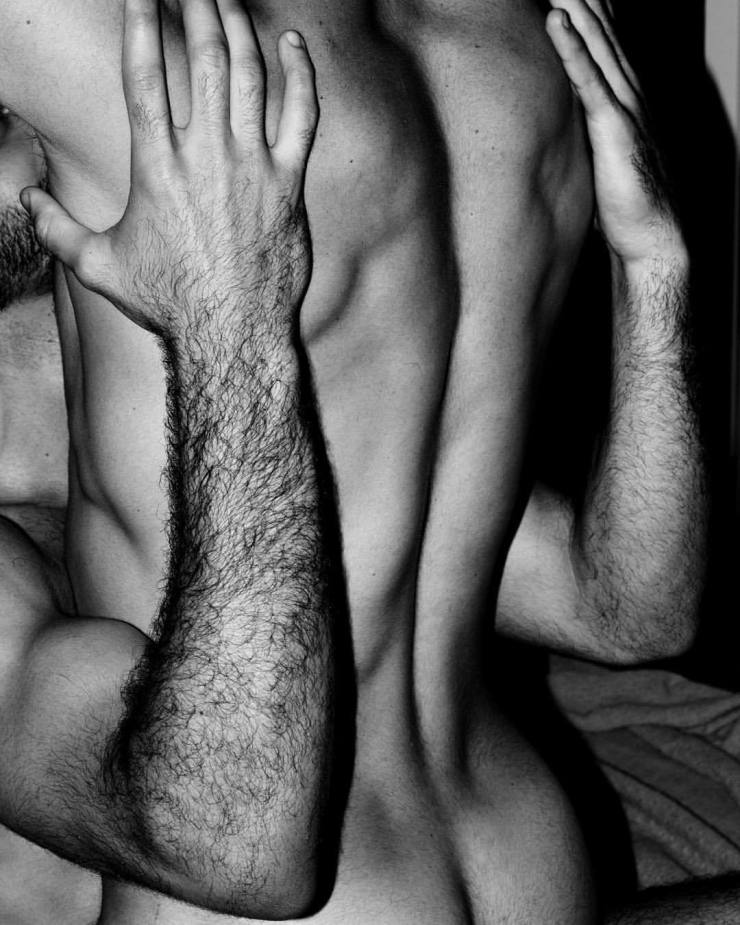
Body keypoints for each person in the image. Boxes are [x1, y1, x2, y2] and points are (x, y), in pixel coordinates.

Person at [2, 0, 708, 922]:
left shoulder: (150, 81)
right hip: (523, 854)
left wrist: (230, 322)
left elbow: (237, 846)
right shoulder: (533, 39)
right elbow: (632, 611)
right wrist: (658, 267)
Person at [0, 3, 345, 922]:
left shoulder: (143, 371)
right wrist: (232, 323)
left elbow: (615, 610)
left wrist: (660, 271)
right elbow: (236, 844)